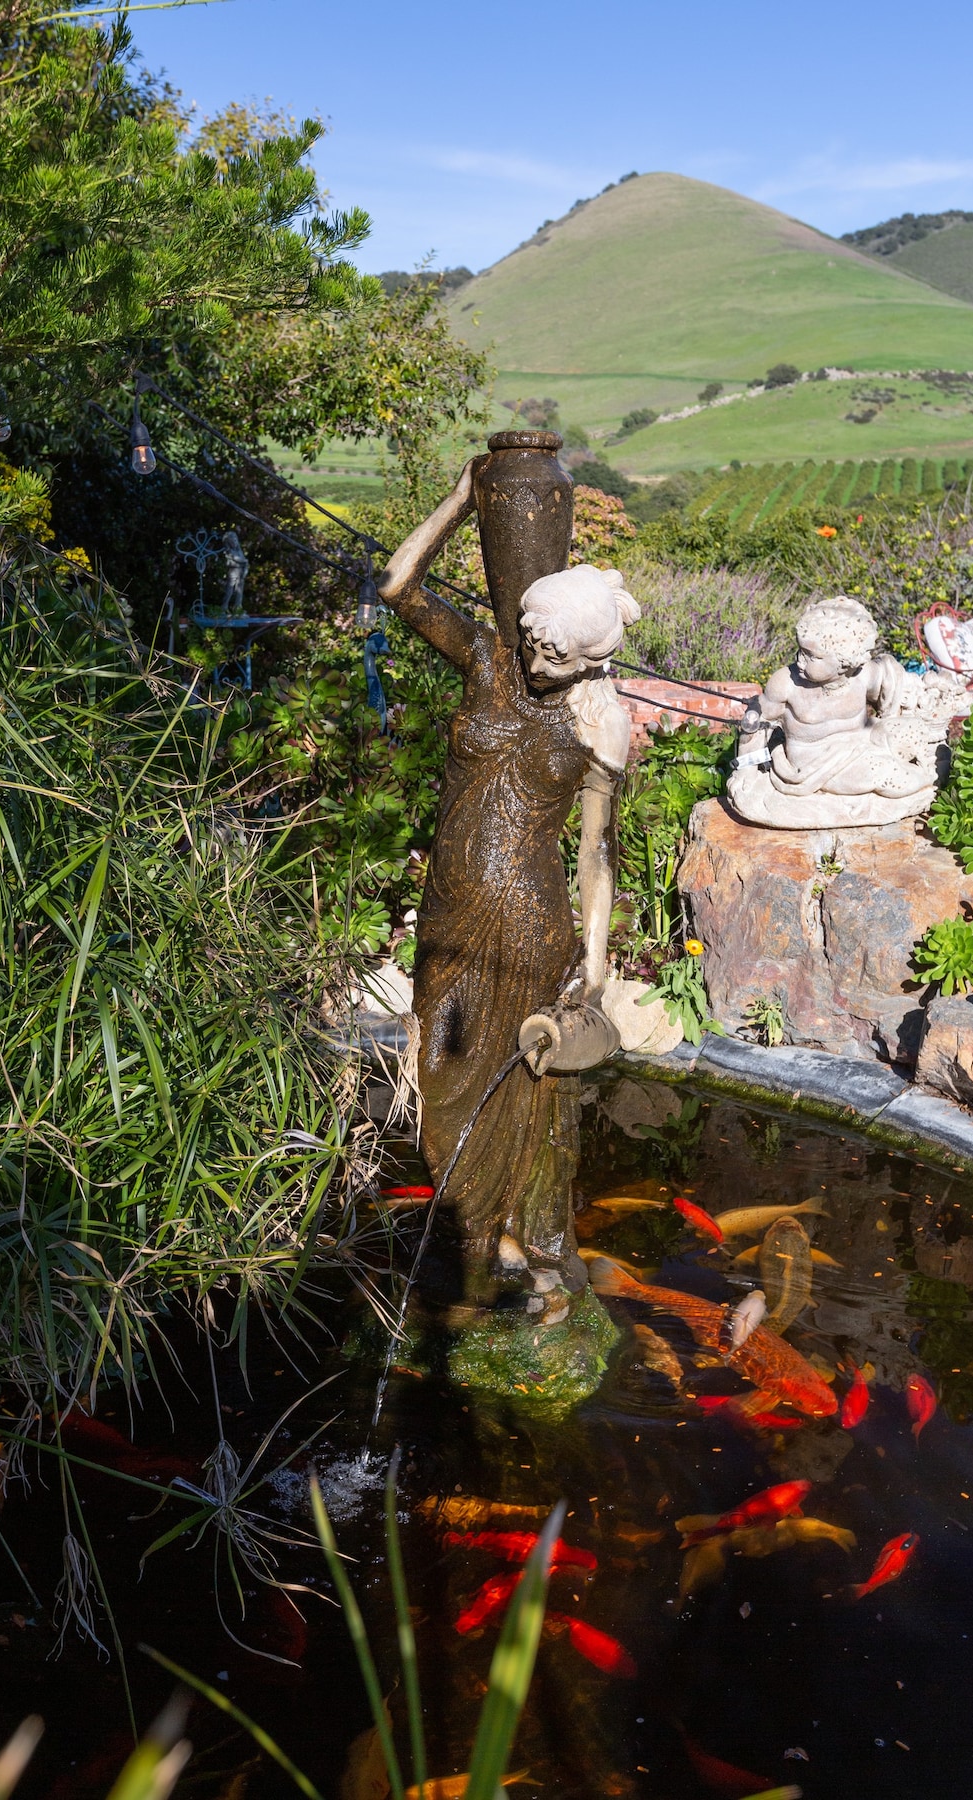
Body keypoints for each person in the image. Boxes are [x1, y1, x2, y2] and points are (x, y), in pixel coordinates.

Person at [376, 459, 638, 1301]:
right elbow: (397, 589)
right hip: (451, 913)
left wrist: (593, 970)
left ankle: (518, 1247)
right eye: (533, 640)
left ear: (591, 657)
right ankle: (474, 1234)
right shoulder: (488, 659)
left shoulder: (601, 717)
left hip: (530, 923)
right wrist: (459, 499)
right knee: (445, 1083)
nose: (536, 660)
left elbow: (598, 854)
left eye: (556, 655)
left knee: (525, 1093)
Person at [729, 596, 942, 828]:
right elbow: (757, 723)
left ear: (845, 663)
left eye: (812, 656)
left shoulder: (861, 676)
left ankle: (928, 768)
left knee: (910, 731)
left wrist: (921, 696)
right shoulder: (786, 684)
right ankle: (930, 779)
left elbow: (891, 680)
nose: (800, 660)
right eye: (801, 650)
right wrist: (746, 770)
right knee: (882, 774)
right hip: (815, 762)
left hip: (862, 740)